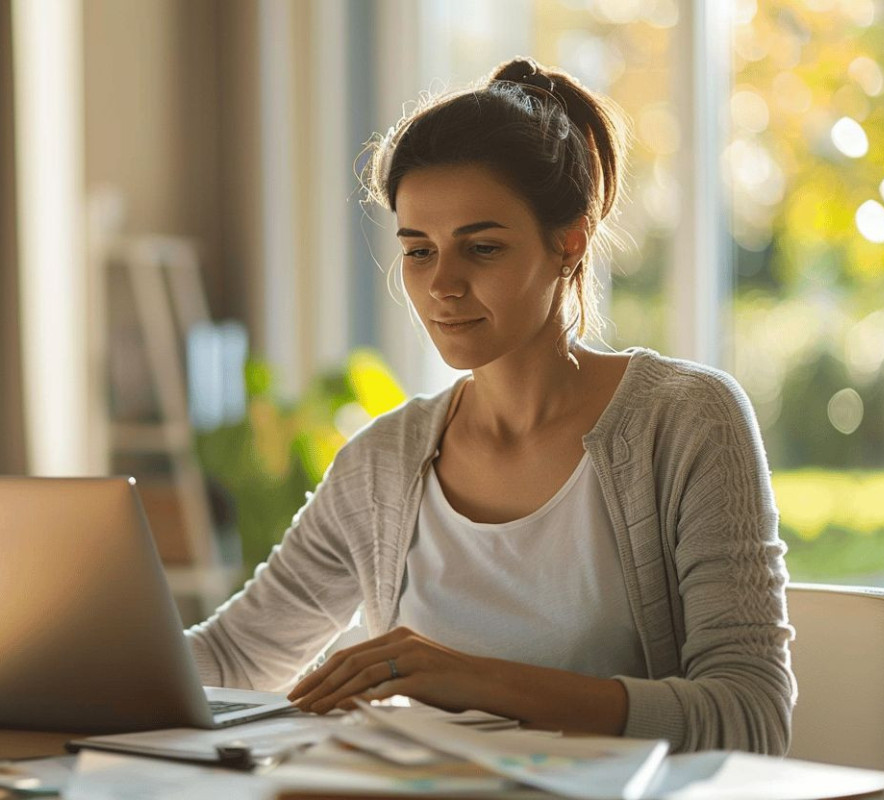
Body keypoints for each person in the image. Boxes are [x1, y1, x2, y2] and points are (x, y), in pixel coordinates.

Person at [185, 56, 795, 755]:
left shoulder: (685, 421)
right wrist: (54, 662)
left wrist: (473, 680)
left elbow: (752, 716)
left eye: (481, 248)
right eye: (418, 251)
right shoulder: (383, 463)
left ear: (570, 244)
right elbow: (235, 659)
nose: (442, 284)